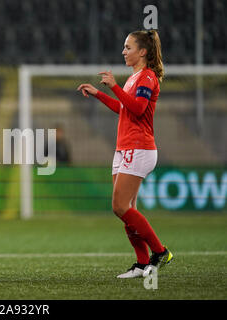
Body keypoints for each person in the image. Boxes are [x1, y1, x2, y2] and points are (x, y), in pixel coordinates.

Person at [77, 30, 173, 279]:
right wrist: (100, 94)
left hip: (139, 148)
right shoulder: (134, 78)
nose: (123, 51)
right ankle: (142, 264)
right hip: (125, 148)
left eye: (128, 47)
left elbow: (139, 109)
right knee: (126, 208)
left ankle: (160, 252)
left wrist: (115, 86)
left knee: (120, 206)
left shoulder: (148, 77)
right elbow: (124, 109)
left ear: (142, 52)